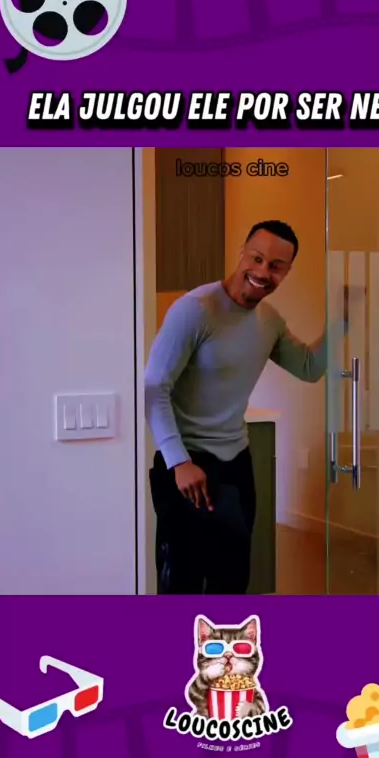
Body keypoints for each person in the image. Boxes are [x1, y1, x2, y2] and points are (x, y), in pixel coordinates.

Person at [145, 219, 350, 595]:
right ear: (242, 252)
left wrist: (343, 320)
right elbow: (154, 388)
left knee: (232, 582)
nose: (263, 271)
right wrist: (178, 461)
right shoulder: (195, 310)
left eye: (276, 266)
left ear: (286, 272)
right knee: (181, 585)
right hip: (187, 466)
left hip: (236, 466)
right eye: (256, 258)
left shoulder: (269, 321)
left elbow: (308, 368)